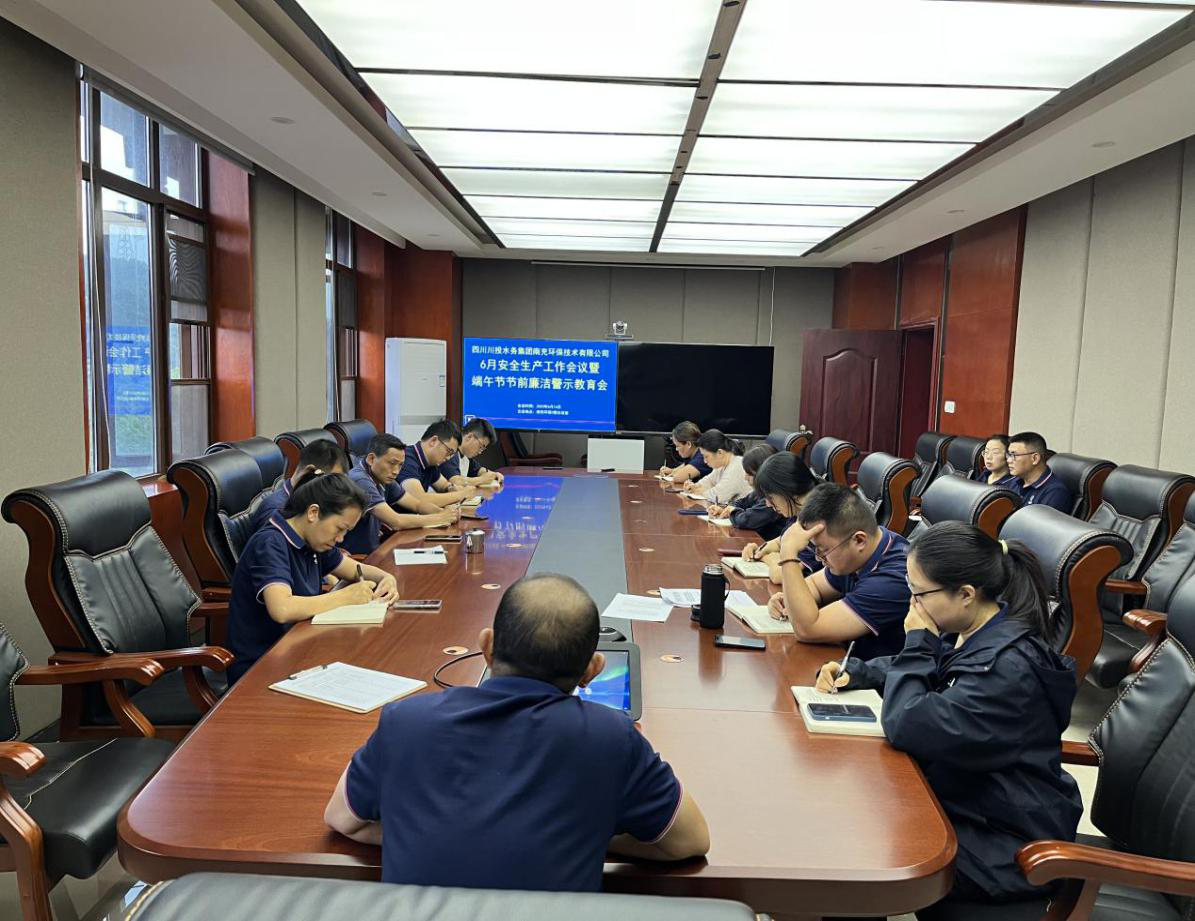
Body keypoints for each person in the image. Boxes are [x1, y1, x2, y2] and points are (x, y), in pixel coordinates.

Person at [323, 573, 710, 891]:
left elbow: (342, 818)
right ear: (592, 670)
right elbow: (689, 842)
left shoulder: (405, 720)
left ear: (487, 646)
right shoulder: (611, 738)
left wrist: (425, 832)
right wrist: (587, 834)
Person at [815, 522, 1082, 919]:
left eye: (919, 593)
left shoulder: (1007, 668)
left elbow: (909, 724)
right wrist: (859, 671)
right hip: (968, 801)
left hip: (1003, 840)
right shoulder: (979, 630)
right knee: (846, 812)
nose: (912, 604)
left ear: (966, 594)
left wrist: (916, 642)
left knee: (856, 850)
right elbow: (938, 667)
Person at [227, 472, 399, 684]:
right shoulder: (271, 543)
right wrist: (346, 597)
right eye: (340, 528)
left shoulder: (313, 539)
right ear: (313, 513)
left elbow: (356, 569)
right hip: (263, 666)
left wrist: (386, 578)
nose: (340, 539)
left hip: (302, 647)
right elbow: (282, 609)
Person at [767, 483, 911, 659]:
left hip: (874, 673)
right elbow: (815, 586)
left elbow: (808, 629)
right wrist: (789, 599)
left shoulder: (893, 579)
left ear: (859, 540)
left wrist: (788, 555)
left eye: (823, 550)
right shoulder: (863, 550)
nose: (818, 558)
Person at [342, 433, 459, 556]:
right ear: (371, 459)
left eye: (400, 465)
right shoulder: (360, 480)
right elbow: (396, 521)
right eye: (392, 463)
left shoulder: (383, 476)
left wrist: (444, 513)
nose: (396, 471)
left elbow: (416, 505)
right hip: (359, 557)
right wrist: (439, 518)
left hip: (378, 549)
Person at [737, 452, 818, 581]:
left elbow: (780, 576)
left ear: (788, 489)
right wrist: (759, 550)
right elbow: (780, 541)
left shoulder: (816, 520)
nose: (768, 504)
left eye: (770, 498)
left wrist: (768, 558)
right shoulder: (798, 509)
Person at [252, 440, 350, 531]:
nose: (336, 491)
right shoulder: (277, 513)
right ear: (310, 472)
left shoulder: (310, 502)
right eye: (332, 482)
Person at [707, 444, 786, 539]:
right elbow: (741, 502)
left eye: (749, 474)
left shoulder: (774, 499)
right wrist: (726, 510)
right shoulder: (760, 492)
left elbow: (746, 520)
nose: (745, 478)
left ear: (763, 473)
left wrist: (733, 512)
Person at [397, 420, 479, 508]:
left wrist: (451, 488)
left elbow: (443, 485)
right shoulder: (406, 458)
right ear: (433, 441)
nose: (448, 458)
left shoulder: (431, 463)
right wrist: (461, 495)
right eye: (449, 451)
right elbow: (419, 499)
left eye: (452, 454)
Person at [1007, 431, 1073, 512]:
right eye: (1008, 455)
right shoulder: (1014, 482)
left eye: (1014, 455)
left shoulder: (1055, 493)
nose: (1008, 460)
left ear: (1035, 458)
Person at [686, 430, 751, 505]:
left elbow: (718, 496)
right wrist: (694, 486)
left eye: (706, 456)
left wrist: (699, 491)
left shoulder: (737, 466)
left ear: (720, 453)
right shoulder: (722, 465)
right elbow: (709, 481)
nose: (705, 461)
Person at [441, 417, 503, 488]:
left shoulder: (466, 456)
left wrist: (494, 475)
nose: (480, 452)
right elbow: (455, 481)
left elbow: (479, 470)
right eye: (481, 446)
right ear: (469, 437)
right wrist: (482, 480)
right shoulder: (450, 452)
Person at [658, 421, 711, 485]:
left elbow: (678, 477)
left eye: (677, 446)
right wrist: (671, 471)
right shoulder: (695, 454)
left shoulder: (702, 456)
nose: (676, 449)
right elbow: (684, 467)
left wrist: (673, 473)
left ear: (688, 444)